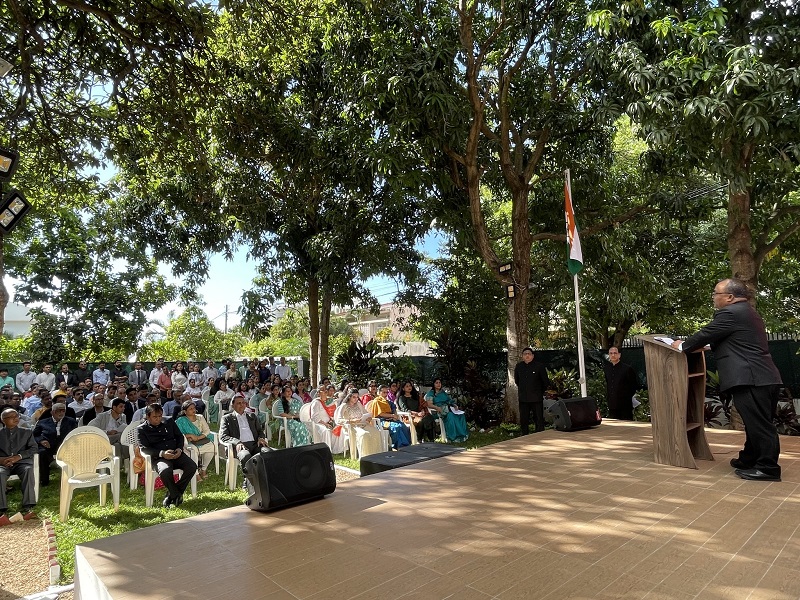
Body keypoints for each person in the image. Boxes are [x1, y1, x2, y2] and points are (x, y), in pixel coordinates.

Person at [672, 278, 783, 481]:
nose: (714, 298)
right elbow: (730, 340)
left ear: (730, 297)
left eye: (716, 294)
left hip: (751, 378)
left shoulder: (731, 313)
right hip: (761, 376)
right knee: (754, 423)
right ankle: (749, 459)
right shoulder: (747, 312)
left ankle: (768, 468)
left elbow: (706, 333)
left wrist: (682, 346)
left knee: (760, 425)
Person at [137, 404, 197, 507]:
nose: (158, 419)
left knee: (192, 466)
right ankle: (175, 495)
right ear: (148, 416)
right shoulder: (142, 429)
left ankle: (172, 494)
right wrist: (162, 453)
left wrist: (179, 449)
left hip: (176, 453)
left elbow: (179, 436)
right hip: (159, 457)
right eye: (155, 417)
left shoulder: (169, 421)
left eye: (160, 416)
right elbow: (144, 448)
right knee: (165, 471)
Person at [0, 408, 38, 525]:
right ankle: (1, 508)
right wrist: (1, 460)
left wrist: (19, 457)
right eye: (12, 417)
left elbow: (34, 448)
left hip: (22, 462)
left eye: (17, 416)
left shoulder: (26, 432)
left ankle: (28, 505)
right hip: (3, 464)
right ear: (3, 420)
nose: (16, 419)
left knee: (28, 470)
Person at [219, 396, 267, 483]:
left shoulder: (252, 416)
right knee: (245, 456)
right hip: (240, 447)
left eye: (243, 403)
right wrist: (237, 442)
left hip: (255, 444)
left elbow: (260, 431)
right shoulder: (227, 418)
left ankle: (266, 480)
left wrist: (261, 438)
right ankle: (249, 482)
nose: (242, 405)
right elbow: (223, 436)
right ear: (233, 405)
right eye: (238, 403)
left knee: (268, 452)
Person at [34, 403, 78, 486]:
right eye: (59, 411)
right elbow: (34, 435)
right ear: (52, 412)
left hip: (65, 446)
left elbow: (76, 434)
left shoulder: (71, 421)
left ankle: (71, 477)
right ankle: (44, 480)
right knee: (41, 452)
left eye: (63, 410)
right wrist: (41, 441)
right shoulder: (43, 422)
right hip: (48, 446)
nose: (61, 413)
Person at [336, 389, 384, 456]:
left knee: (376, 432)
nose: (356, 399)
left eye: (357, 397)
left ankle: (376, 454)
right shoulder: (344, 405)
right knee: (364, 434)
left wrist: (368, 417)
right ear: (349, 397)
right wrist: (352, 421)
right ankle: (366, 455)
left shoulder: (358, 404)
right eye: (354, 397)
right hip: (352, 426)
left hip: (363, 424)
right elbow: (338, 420)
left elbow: (366, 413)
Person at [513, 347, 550, 435]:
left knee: (538, 419)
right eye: (525, 354)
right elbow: (517, 380)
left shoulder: (539, 366)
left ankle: (540, 435)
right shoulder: (519, 366)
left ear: (532, 356)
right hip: (523, 398)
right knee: (524, 419)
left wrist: (539, 392)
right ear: (522, 356)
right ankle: (524, 436)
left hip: (536, 398)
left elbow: (545, 382)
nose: (527, 355)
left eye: (529, 354)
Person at [175, 400, 214, 480]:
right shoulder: (180, 421)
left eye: (194, 408)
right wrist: (188, 435)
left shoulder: (200, 417)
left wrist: (198, 438)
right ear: (185, 411)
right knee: (193, 450)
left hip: (201, 439)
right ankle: (196, 473)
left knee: (211, 447)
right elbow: (178, 435)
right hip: (187, 442)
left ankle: (203, 469)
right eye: (190, 409)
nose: (193, 410)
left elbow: (207, 431)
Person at [366, 384, 411, 449]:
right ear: (379, 392)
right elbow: (380, 414)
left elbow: (394, 409)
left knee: (402, 426)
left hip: (391, 419)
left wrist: (395, 416)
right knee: (396, 427)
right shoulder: (377, 401)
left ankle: (406, 445)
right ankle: (396, 445)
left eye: (387, 392)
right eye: (384, 392)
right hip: (382, 422)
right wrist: (392, 415)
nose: (386, 394)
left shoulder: (389, 402)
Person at [425, 378, 469, 443]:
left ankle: (462, 434)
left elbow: (449, 401)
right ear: (433, 384)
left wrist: (454, 405)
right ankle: (452, 437)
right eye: (436, 383)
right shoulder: (431, 393)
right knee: (450, 415)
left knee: (460, 415)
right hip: (438, 411)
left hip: (448, 409)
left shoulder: (443, 392)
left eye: (439, 382)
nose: (438, 384)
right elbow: (429, 405)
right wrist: (437, 408)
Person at [604, 347, 639, 420]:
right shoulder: (607, 368)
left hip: (625, 404)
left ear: (619, 355)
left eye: (615, 353)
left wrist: (626, 396)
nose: (613, 355)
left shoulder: (627, 369)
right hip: (612, 404)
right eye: (611, 353)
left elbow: (633, 385)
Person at [310, 385, 346, 454]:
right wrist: (325, 424)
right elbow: (314, 417)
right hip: (319, 424)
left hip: (330, 422)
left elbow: (333, 414)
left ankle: (337, 450)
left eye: (325, 389)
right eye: (322, 390)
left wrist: (332, 421)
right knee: (326, 431)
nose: (325, 391)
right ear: (318, 393)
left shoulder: (330, 401)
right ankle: (327, 451)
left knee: (341, 428)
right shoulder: (316, 402)